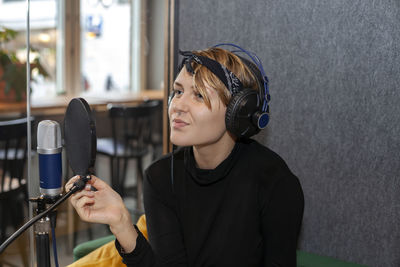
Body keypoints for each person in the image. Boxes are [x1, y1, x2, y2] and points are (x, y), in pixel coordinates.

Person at [66, 45, 304, 267]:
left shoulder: (274, 182)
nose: (178, 105)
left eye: (199, 95)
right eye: (178, 91)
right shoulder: (160, 178)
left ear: (238, 112)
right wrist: (120, 222)